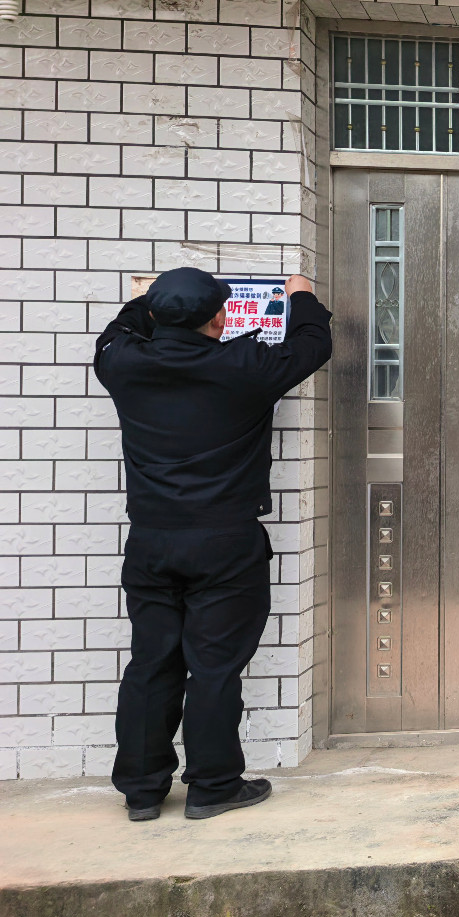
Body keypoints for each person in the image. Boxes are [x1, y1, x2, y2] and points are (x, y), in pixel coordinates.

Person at [94, 268, 333, 822]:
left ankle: (142, 791)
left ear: (154, 315)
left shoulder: (122, 363)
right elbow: (312, 343)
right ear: (219, 319)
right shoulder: (244, 367)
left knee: (151, 663)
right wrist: (300, 294)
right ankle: (213, 786)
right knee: (214, 668)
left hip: (152, 541)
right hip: (226, 542)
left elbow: (119, 329)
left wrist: (145, 302)